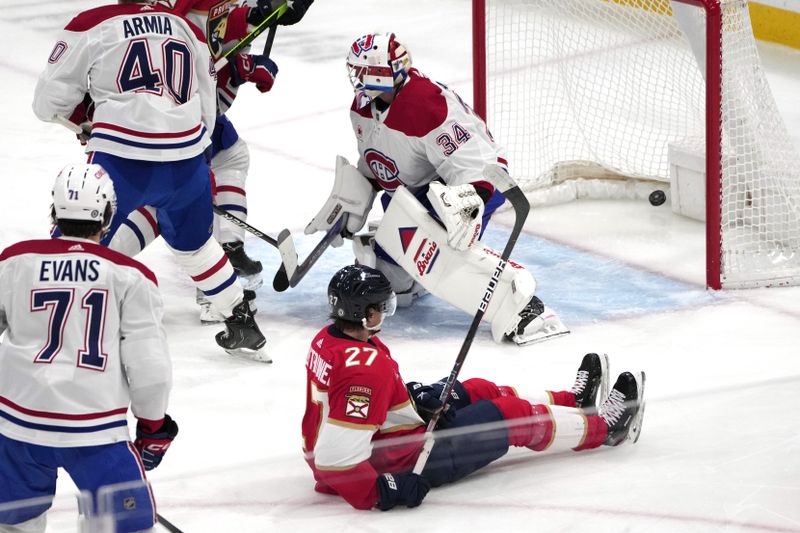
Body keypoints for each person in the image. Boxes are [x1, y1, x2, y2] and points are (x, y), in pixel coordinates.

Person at [31, 0, 269, 360]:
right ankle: (241, 321)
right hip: (187, 164)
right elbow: (208, 108)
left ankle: (47, 322)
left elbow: (47, 103)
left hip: (121, 161)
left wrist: (85, 121)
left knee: (77, 234)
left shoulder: (93, 22)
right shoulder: (186, 28)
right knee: (197, 247)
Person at [302, 264, 645, 511]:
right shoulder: (364, 372)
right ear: (363, 313)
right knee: (512, 417)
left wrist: (413, 398)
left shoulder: (331, 339)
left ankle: (575, 402)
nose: (385, 312)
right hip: (396, 457)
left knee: (479, 389)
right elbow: (336, 459)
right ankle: (607, 430)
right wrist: (380, 491)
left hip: (388, 436)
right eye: (380, 307)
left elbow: (350, 404)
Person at [304, 33, 568, 346]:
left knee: (439, 251)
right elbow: (382, 156)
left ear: (382, 74)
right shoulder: (363, 105)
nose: (356, 79)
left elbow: (478, 161)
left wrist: (468, 204)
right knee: (393, 284)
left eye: (362, 71)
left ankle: (525, 308)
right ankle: (418, 274)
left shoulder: (426, 105)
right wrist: (356, 193)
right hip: (417, 190)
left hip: (474, 185)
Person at [84, 0, 314, 323]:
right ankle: (206, 289)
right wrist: (240, 61)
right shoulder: (182, 14)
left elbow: (215, 32)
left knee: (225, 157)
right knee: (173, 196)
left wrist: (258, 22)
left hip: (155, 109)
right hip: (165, 115)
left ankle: (228, 252)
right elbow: (198, 40)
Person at [0, 164, 178, 532]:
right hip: (96, 433)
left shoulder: (14, 261)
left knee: (13, 525)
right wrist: (152, 424)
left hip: (18, 429)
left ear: (55, 212)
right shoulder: (130, 276)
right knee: (123, 527)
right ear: (109, 214)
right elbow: (149, 365)